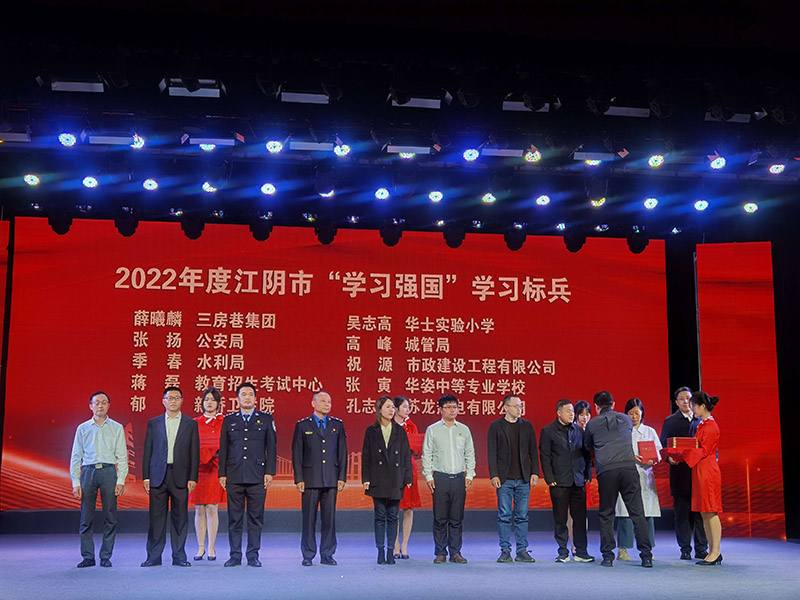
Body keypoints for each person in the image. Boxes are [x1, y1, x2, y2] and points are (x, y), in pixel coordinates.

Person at [584, 390, 653, 568]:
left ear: (596, 407)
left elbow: (588, 446)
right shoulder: (626, 419)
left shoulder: (592, 424)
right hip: (629, 469)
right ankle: (646, 556)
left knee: (607, 514)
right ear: (613, 404)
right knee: (637, 513)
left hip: (607, 471)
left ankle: (608, 557)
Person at [219, 382, 277, 568]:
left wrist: (269, 472)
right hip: (234, 475)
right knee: (234, 519)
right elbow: (224, 448)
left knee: (255, 519)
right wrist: (222, 473)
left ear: (255, 398)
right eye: (243, 394)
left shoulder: (266, 419)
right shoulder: (229, 420)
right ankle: (235, 556)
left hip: (257, 476)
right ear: (237, 399)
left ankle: (253, 555)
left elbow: (272, 448)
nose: (247, 397)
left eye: (250, 394)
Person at [141, 386, 200, 567]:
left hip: (180, 475)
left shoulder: (190, 424)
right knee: (156, 519)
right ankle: (154, 556)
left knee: (180, 518)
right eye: (169, 398)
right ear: (163, 401)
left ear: (182, 401)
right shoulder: (154, 423)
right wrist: (146, 476)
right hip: (158, 475)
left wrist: (193, 477)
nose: (173, 401)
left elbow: (194, 452)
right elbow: (148, 450)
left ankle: (179, 556)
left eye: (176, 398)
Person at [70, 391, 129, 568]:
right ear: (90, 406)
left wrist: (121, 480)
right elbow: (76, 456)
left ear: (109, 405)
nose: (100, 406)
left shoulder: (117, 427)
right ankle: (88, 556)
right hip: (88, 472)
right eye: (96, 403)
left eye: (104, 402)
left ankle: (105, 556)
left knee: (110, 516)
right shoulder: (82, 428)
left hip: (109, 472)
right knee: (86, 517)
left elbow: (122, 456)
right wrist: (76, 481)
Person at [291, 391, 347, 566]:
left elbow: (342, 453)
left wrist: (342, 477)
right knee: (309, 519)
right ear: (313, 403)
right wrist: (299, 478)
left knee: (329, 519)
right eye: (323, 401)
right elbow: (297, 454)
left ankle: (327, 554)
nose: (327, 404)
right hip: (309, 479)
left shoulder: (337, 425)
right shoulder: (302, 425)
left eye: (329, 401)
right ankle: (308, 554)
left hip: (331, 479)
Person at [421, 393, 476, 564]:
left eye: (455, 407)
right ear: (440, 409)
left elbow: (470, 453)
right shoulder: (433, 430)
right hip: (440, 478)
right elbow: (427, 454)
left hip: (459, 478)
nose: (453, 410)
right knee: (440, 518)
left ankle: (455, 552)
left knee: (456, 518)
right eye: (449, 407)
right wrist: (428, 476)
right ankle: (440, 552)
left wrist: (470, 474)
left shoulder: (464, 429)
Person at [539, 399, 594, 563]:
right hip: (559, 482)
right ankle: (562, 551)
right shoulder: (548, 431)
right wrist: (549, 478)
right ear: (559, 413)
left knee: (580, 518)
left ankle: (581, 551)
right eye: (568, 411)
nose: (572, 414)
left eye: (572, 411)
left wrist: (587, 473)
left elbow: (586, 454)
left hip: (578, 481)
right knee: (560, 519)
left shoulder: (579, 431)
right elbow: (545, 456)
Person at [487, 394, 539, 563]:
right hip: (504, 479)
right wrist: (494, 474)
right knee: (504, 515)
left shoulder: (527, 426)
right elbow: (491, 452)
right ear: (505, 408)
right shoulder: (496, 426)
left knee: (522, 516)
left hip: (523, 478)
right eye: (516, 406)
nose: (519, 409)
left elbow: (533, 451)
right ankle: (505, 550)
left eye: (521, 406)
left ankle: (522, 550)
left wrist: (535, 472)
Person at [362, 395, 413, 564]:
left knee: (393, 516)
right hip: (377, 478)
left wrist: (407, 477)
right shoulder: (371, 431)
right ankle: (380, 551)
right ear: (379, 410)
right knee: (379, 516)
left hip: (395, 478)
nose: (392, 410)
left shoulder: (400, 431)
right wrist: (366, 478)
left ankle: (391, 551)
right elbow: (366, 456)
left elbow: (405, 456)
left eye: (393, 407)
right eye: (388, 407)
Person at [660, 386, 708, 560]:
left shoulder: (701, 420)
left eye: (688, 398)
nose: (686, 401)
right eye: (682, 399)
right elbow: (662, 446)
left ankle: (701, 548)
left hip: (698, 473)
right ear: (676, 402)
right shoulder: (670, 421)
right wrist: (669, 459)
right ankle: (685, 549)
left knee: (700, 513)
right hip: (679, 474)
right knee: (682, 513)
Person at [615, 398, 662, 562]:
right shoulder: (622, 431)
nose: (634, 416)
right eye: (631, 413)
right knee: (625, 513)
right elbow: (617, 452)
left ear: (642, 413)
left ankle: (648, 548)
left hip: (645, 476)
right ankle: (623, 548)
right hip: (627, 474)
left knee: (647, 513)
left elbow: (658, 452)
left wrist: (653, 459)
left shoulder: (650, 431)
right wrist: (631, 456)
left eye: (637, 413)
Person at [683, 392, 723, 566]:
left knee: (711, 511)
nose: (692, 408)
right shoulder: (702, 425)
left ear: (702, 406)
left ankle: (715, 551)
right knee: (704, 512)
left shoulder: (710, 426)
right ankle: (712, 550)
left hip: (707, 470)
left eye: (693, 405)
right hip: (700, 469)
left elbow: (703, 450)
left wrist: (682, 454)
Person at [190, 386, 225, 561]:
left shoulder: (224, 422)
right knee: (199, 508)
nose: (209, 402)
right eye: (206, 399)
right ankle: (200, 548)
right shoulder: (194, 423)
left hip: (215, 468)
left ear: (218, 403)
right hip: (198, 469)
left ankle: (211, 548)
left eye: (213, 400)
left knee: (212, 507)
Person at [392, 395, 422, 560]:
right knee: (394, 507)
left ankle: (404, 545)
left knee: (408, 508)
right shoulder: (388, 424)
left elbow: (415, 448)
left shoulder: (411, 426)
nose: (407, 410)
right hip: (391, 469)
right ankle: (395, 545)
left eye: (408, 407)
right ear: (396, 408)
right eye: (404, 407)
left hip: (409, 468)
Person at [567, 400, 592, 555]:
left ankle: (582, 544)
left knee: (583, 513)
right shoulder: (571, 430)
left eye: (587, 414)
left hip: (584, 478)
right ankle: (573, 545)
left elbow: (588, 457)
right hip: (571, 476)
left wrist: (588, 474)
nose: (585, 417)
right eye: (581, 414)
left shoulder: (591, 430)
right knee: (572, 513)